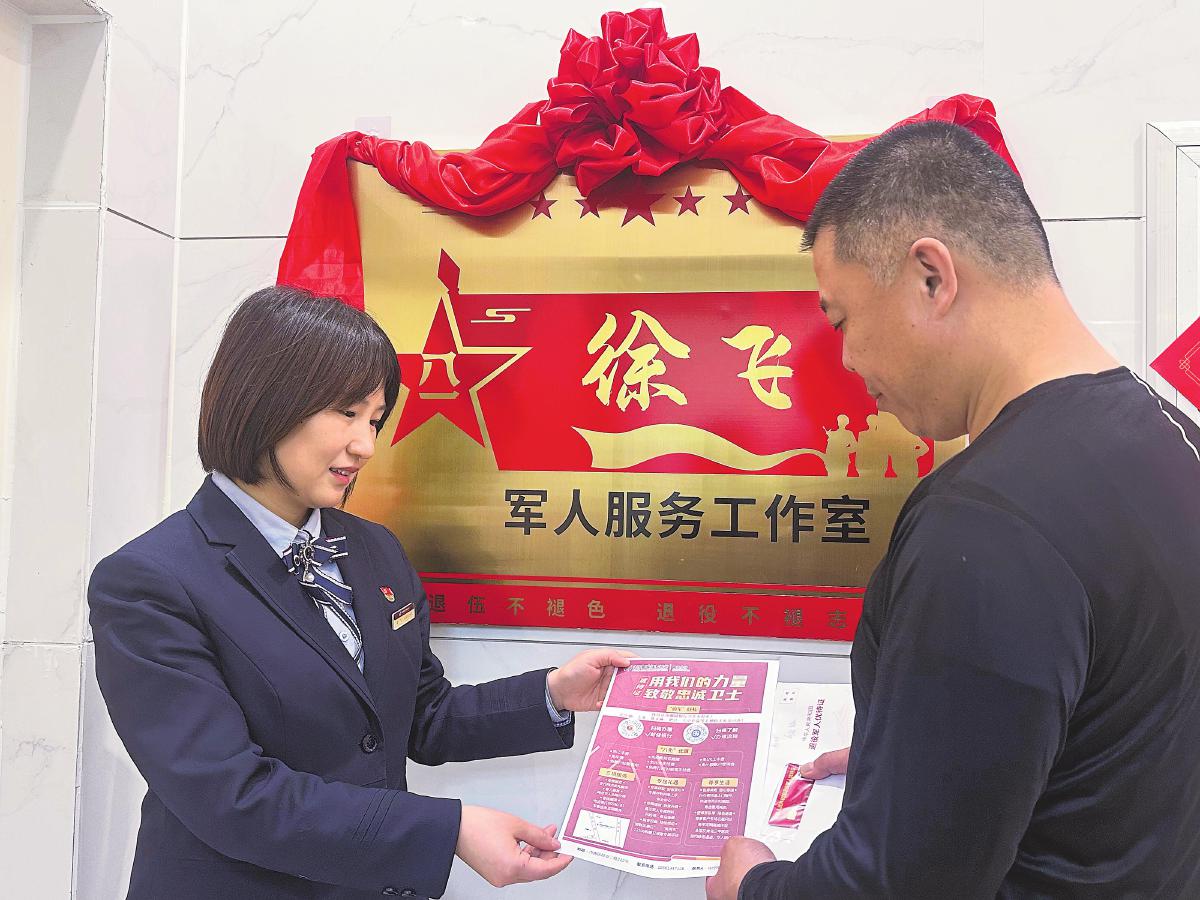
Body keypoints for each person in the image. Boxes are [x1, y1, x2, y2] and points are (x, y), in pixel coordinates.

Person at [708, 122, 1200, 898]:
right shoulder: (1173, 438)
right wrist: (919, 764)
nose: (847, 360)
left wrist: (750, 886)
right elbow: (1116, 739)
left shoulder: (987, 522)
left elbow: (893, 888)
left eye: (841, 320)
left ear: (932, 277)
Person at [89, 286, 633, 899]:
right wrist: (448, 829)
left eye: (374, 419)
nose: (366, 445)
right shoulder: (149, 581)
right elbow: (230, 797)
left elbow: (419, 717)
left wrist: (552, 694)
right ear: (265, 401)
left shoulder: (373, 549)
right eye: (346, 413)